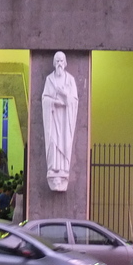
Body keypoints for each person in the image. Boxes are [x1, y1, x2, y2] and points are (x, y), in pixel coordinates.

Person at [41, 51, 79, 192]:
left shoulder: (70, 80)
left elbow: (74, 101)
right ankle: (53, 168)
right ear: (53, 63)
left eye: (61, 61)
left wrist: (63, 93)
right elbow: (44, 99)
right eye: (57, 61)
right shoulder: (49, 80)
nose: (59, 64)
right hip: (53, 117)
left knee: (64, 142)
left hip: (64, 120)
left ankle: (63, 169)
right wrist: (54, 103)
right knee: (52, 141)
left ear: (65, 63)